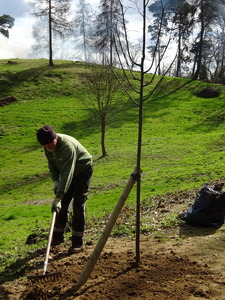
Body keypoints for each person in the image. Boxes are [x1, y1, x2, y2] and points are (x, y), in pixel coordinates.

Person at [36, 125, 93, 254]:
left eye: (51, 143)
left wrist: (58, 197)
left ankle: (77, 241)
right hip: (68, 173)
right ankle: (57, 236)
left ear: (55, 137)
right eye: (46, 146)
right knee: (62, 205)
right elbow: (52, 165)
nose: (49, 147)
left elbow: (68, 174)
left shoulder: (67, 146)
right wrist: (55, 180)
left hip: (82, 170)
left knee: (78, 204)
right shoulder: (47, 147)